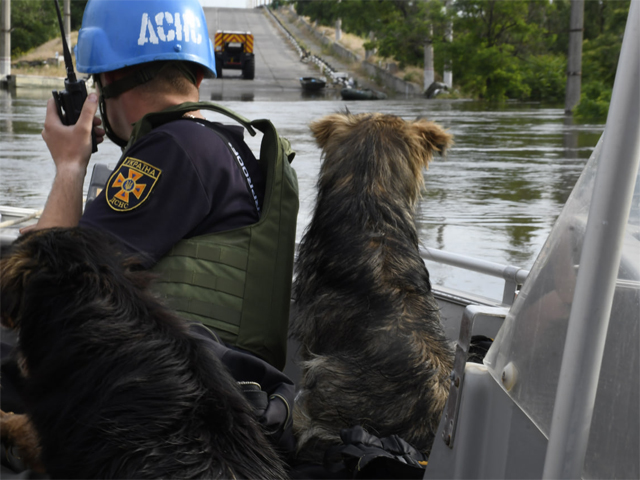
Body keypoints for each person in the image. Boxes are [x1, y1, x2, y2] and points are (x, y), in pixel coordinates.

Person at [13, 0, 299, 453]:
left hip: (166, 410)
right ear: (198, 76)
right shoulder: (232, 148)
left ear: (108, 80)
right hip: (222, 397)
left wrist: (70, 164)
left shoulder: (170, 151)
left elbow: (46, 304)